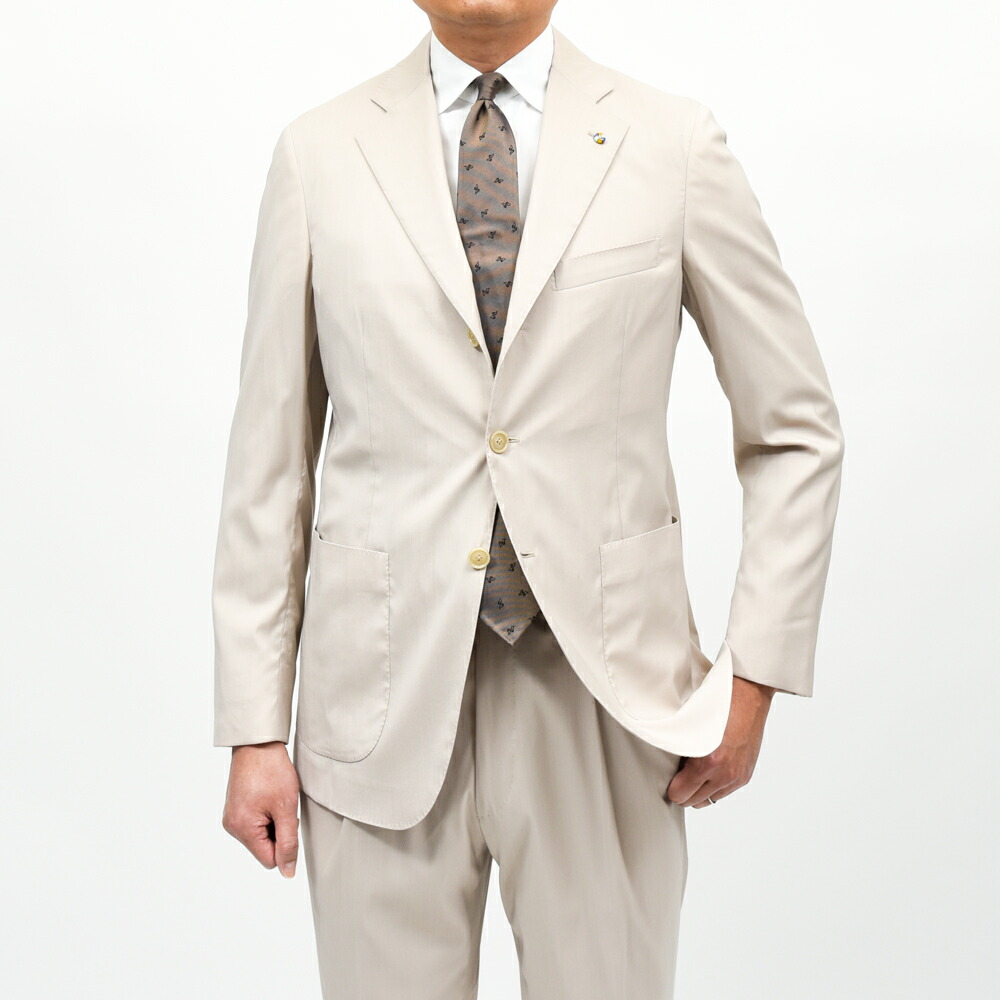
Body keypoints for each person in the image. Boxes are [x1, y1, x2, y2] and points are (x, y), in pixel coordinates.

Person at [212, 2, 845, 996]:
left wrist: (754, 674)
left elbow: (796, 429)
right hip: (375, 695)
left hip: (606, 693)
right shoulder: (317, 157)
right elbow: (269, 465)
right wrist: (255, 726)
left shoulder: (673, 144)